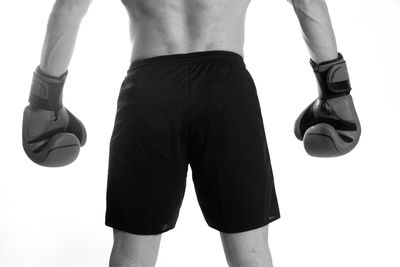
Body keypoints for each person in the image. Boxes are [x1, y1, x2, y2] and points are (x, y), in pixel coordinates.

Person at [24, 0, 358, 266]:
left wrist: (46, 102)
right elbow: (307, 3)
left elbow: (69, 8)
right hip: (226, 93)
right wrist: (335, 94)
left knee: (133, 251)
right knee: (251, 253)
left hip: (149, 93)